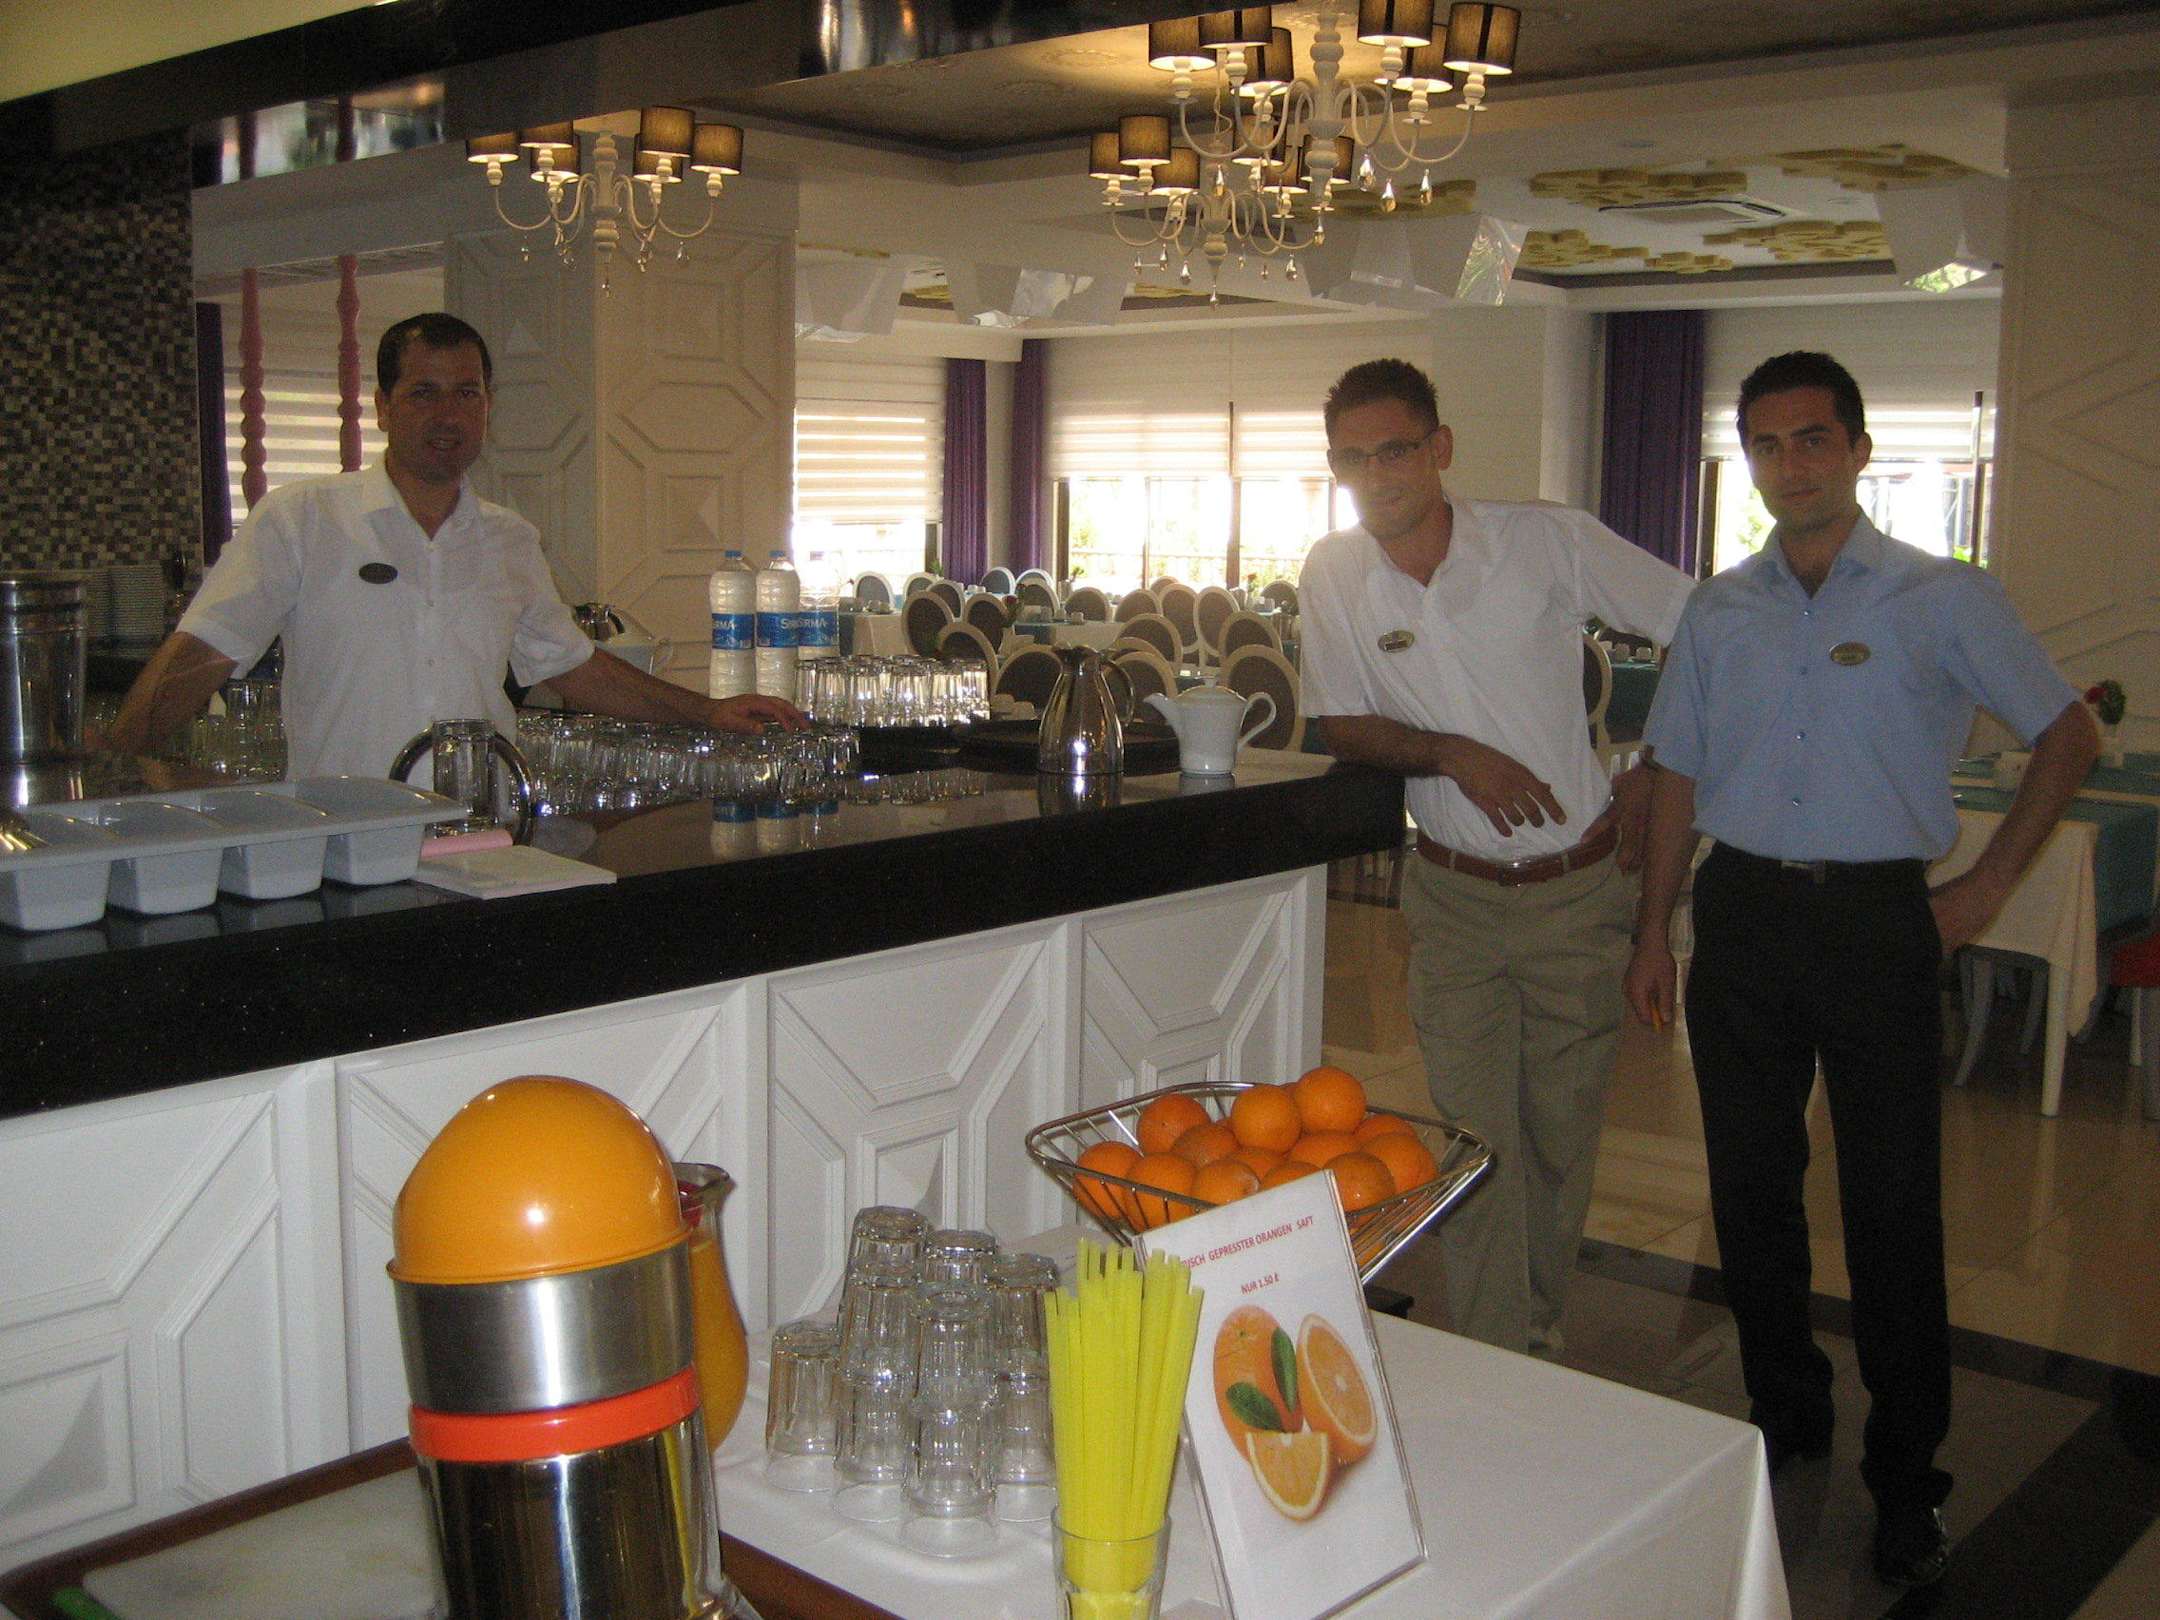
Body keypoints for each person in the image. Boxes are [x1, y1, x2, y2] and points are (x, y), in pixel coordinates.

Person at [1623, 350, 2096, 1588]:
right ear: (1750, 460)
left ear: (1858, 450)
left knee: (1892, 1208)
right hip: (1742, 915)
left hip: (1880, 921)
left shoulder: (1942, 597)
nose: (1793, 465)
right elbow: (1676, 772)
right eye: (1769, 444)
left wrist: (1985, 888)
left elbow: (2069, 731)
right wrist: (1652, 929)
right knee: (1750, 1193)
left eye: (1815, 439)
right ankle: (1786, 1416)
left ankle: (1907, 1479)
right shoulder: (1719, 609)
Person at [1298, 358, 1694, 1358]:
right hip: (1452, 899)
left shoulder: (1541, 541)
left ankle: (1536, 1332)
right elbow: (1341, 722)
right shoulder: (1335, 572)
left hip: (1577, 894)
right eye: (1352, 458)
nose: (1376, 474)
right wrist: (1450, 754)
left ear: (1439, 449)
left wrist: (1658, 765)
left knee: (1557, 1142)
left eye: (1395, 450)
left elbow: (1703, 626)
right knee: (1475, 1148)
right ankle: (1495, 1352)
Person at [110, 312, 802, 778]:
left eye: (467, 394)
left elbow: (575, 668)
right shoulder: (302, 520)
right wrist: (110, 763)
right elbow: (201, 655)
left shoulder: (510, 539)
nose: (448, 415)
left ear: (488, 406)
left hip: (486, 830)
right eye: (423, 393)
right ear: (383, 407)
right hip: (347, 837)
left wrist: (709, 711)